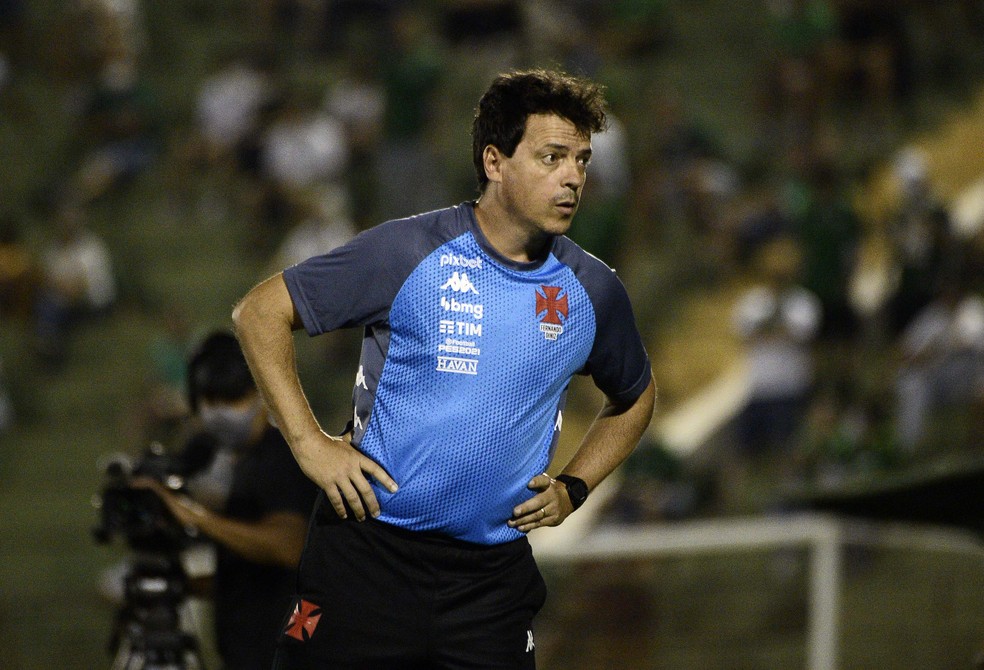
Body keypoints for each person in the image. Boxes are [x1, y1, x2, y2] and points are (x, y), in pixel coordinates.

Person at [232, 68, 656, 669]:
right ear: (494, 161)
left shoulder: (593, 290)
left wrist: (574, 488)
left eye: (581, 161)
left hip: (491, 585)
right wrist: (309, 443)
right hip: (367, 560)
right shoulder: (408, 252)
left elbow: (635, 397)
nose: (573, 178)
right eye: (552, 157)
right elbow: (260, 312)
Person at [134, 330, 318, 669]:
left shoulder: (282, 456)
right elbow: (250, 575)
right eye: (211, 402)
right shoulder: (243, 462)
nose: (220, 413)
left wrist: (197, 517)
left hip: (282, 655)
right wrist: (184, 586)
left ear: (261, 391)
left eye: (231, 400)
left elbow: (289, 545)